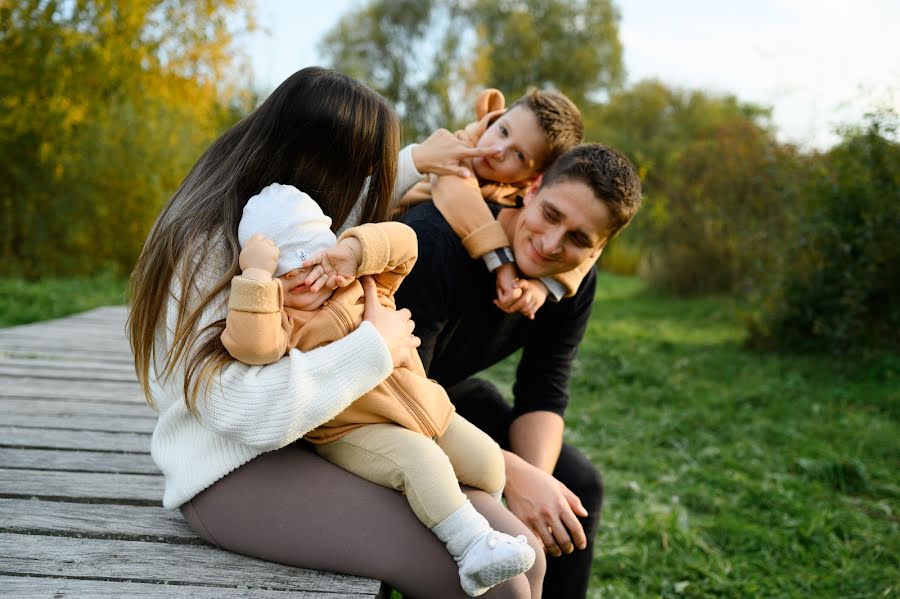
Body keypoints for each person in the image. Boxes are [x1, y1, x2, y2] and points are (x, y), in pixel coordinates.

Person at [127, 66, 546, 599]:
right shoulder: (211, 246)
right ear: (319, 163)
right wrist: (376, 346)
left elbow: (355, 213)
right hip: (233, 470)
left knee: (521, 551)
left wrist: (416, 161)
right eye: (362, 169)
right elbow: (240, 411)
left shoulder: (285, 210)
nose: (366, 188)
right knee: (501, 588)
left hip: (323, 438)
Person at [221, 183, 535, 596]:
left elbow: (406, 242)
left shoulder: (366, 284)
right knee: (419, 461)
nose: (304, 280)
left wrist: (352, 252)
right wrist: (257, 276)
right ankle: (472, 548)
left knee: (488, 461)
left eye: (312, 265)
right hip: (353, 432)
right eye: (287, 274)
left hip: (428, 409)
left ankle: (473, 520)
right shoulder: (286, 324)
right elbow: (252, 347)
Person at [394, 143, 643, 599]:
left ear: (599, 247)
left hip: (445, 393)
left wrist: (536, 482)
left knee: (575, 487)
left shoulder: (572, 283)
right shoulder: (433, 241)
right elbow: (400, 395)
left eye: (579, 238)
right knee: (485, 503)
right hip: (379, 404)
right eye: (550, 214)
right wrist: (508, 475)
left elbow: (544, 392)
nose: (551, 244)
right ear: (531, 189)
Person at [394, 87, 595, 320]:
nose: (498, 149)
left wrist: (545, 285)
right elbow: (461, 197)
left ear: (533, 178)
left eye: (519, 155)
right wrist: (501, 262)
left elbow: (592, 241)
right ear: (496, 118)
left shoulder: (529, 197)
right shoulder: (455, 148)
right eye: (503, 130)